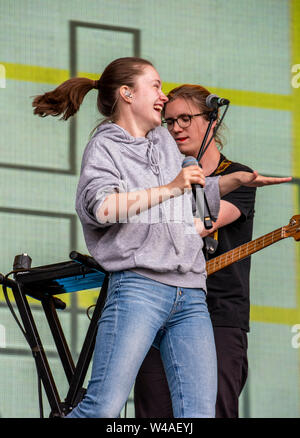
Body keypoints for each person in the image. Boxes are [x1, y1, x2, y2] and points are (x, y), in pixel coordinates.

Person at [32, 59, 291, 418]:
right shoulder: (106, 148)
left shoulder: (166, 147)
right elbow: (102, 209)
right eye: (155, 86)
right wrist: (170, 188)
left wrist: (228, 183)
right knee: (101, 410)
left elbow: (190, 211)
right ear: (126, 93)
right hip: (140, 288)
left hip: (191, 294)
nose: (163, 95)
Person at [134, 84, 291, 418]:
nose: (175, 128)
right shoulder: (164, 180)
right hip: (159, 311)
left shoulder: (237, 176)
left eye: (185, 119)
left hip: (217, 314)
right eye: (169, 121)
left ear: (213, 120)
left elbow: (202, 224)